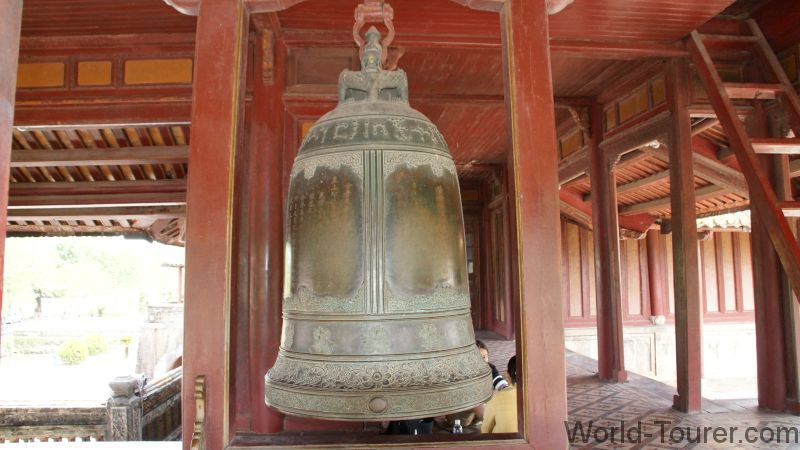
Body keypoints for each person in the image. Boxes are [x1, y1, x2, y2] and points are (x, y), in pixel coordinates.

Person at [481, 355, 517, 434]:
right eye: (478, 356)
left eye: (484, 357)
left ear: (507, 374)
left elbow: (485, 432)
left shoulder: (490, 369)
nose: (482, 360)